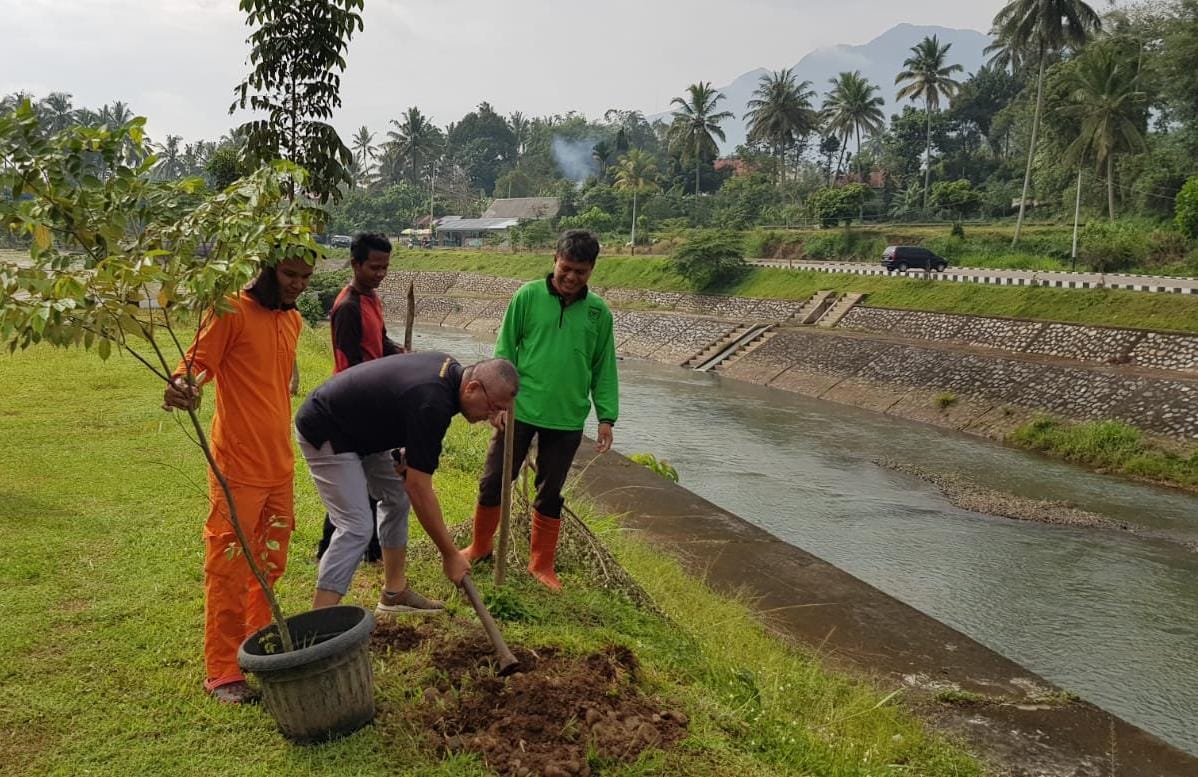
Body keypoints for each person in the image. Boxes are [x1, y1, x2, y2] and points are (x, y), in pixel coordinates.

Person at [163, 256, 314, 704]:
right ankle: (223, 669)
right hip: (238, 468)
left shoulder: (292, 320)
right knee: (228, 567)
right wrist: (182, 385)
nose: (299, 285)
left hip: (280, 467)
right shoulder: (229, 309)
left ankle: (256, 644)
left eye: (306, 277)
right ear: (267, 268)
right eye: (290, 275)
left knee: (270, 562)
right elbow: (195, 364)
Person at [295, 352, 519, 612]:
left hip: (362, 431)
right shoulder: (433, 402)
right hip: (326, 428)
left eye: (501, 410)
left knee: (396, 496)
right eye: (492, 406)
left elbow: (403, 404)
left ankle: (394, 593)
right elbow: (419, 488)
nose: (491, 416)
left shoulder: (448, 375)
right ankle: (318, 622)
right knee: (356, 527)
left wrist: (407, 452)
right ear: (472, 388)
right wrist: (450, 554)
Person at [462, 230, 619, 590]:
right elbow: (504, 351)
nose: (571, 277)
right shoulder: (528, 296)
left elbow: (604, 367)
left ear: (592, 269)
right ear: (554, 260)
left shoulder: (599, 313)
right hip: (519, 410)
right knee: (493, 481)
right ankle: (480, 547)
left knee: (550, 492)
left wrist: (606, 417)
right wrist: (498, 404)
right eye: (566, 268)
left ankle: (541, 565)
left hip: (566, 417)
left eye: (580, 271)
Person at [315, 232, 403, 563]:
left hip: (371, 401)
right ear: (355, 264)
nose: (381, 274)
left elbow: (380, 341)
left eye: (385, 267)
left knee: (367, 478)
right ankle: (332, 548)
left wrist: (402, 355)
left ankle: (369, 548)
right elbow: (349, 365)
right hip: (354, 406)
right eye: (374, 267)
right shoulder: (348, 307)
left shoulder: (371, 299)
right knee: (357, 482)